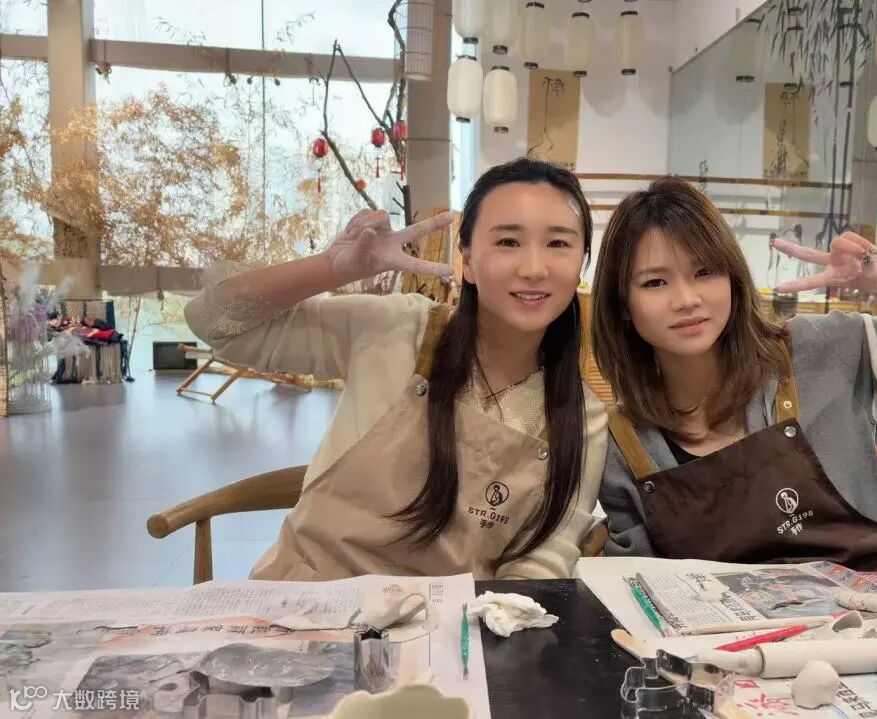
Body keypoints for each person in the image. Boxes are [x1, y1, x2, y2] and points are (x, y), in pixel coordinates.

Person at [184, 158, 607, 581]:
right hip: (308, 600)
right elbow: (214, 322)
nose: (534, 269)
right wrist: (331, 268)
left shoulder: (581, 417)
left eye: (558, 244)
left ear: (582, 264)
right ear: (467, 262)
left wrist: (498, 618)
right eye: (508, 242)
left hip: (452, 617)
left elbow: (544, 558)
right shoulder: (396, 328)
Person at [591, 177, 877, 570]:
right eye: (655, 282)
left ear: (733, 277)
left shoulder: (828, 350)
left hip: (865, 614)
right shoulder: (623, 444)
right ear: (623, 305)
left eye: (704, 272)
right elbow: (637, 583)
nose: (686, 299)